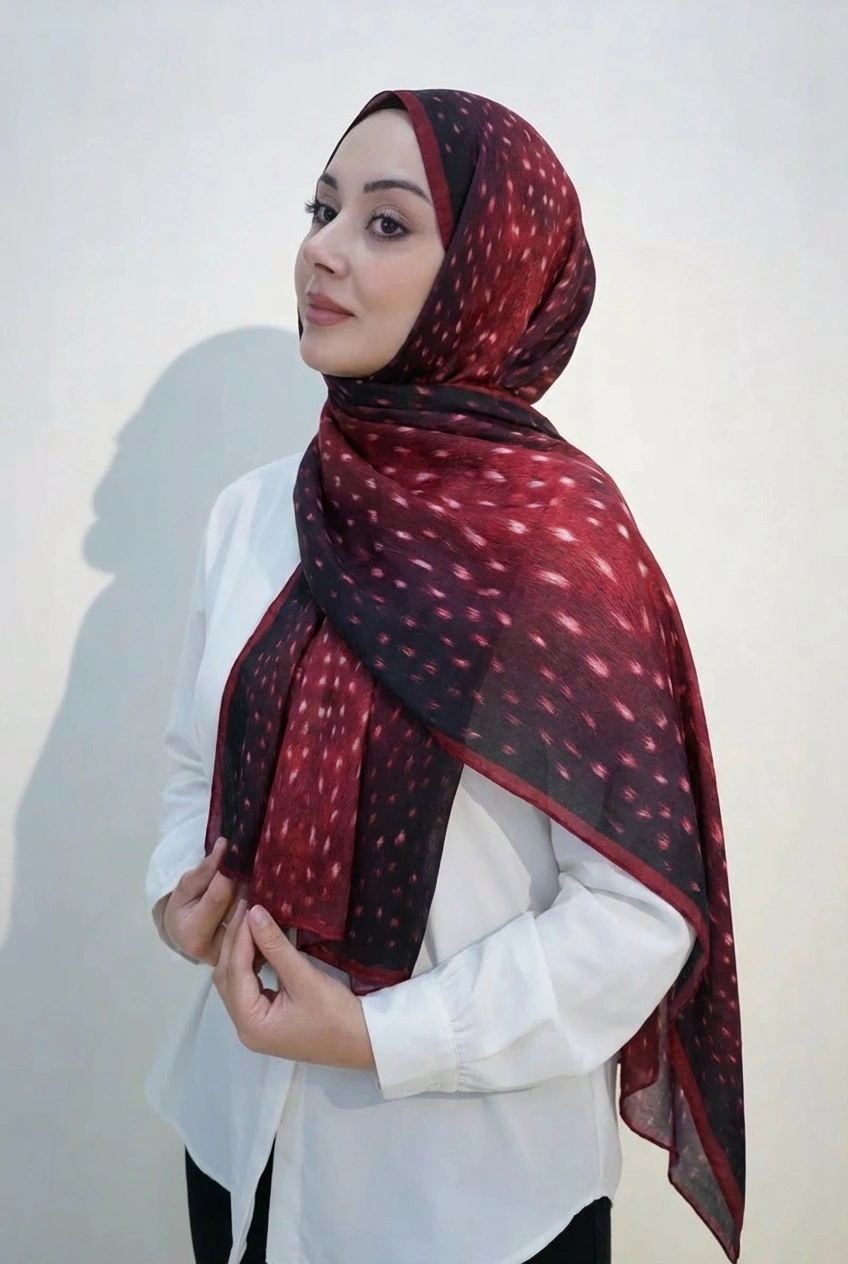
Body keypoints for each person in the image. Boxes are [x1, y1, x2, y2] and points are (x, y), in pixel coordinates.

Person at [145, 89, 745, 1264]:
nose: (321, 250)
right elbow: (187, 770)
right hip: (237, 1141)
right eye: (320, 209)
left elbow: (637, 914)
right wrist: (178, 896)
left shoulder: (561, 553)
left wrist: (383, 1034)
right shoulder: (251, 514)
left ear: (489, 273)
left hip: (467, 1203)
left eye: (384, 222)